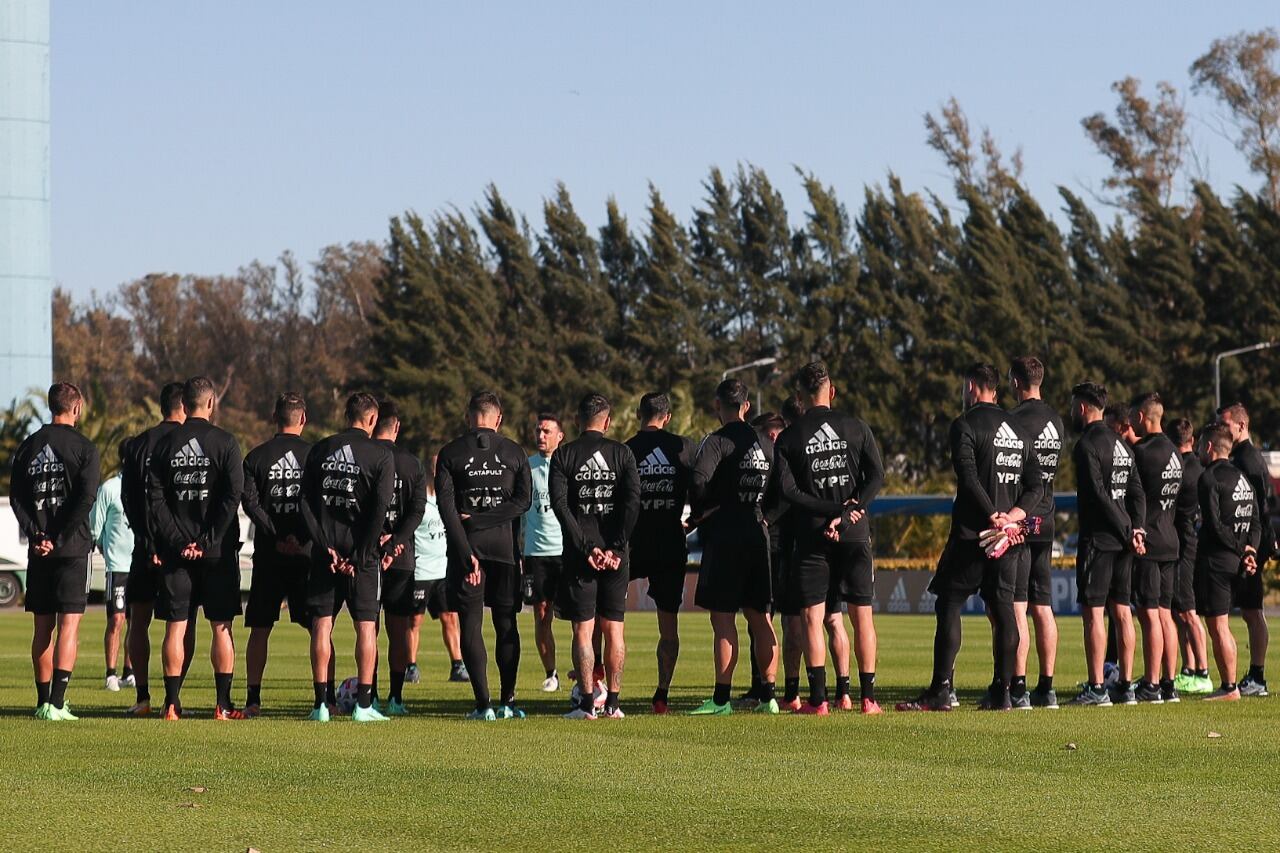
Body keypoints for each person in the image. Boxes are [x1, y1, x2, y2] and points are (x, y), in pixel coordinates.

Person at [896, 364, 1041, 712]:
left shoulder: (965, 424)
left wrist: (992, 515)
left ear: (973, 387)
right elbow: (1037, 485)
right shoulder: (1019, 430)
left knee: (948, 604)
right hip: (1007, 539)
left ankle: (941, 690)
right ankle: (1004, 693)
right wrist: (1013, 518)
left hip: (972, 535)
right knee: (1004, 610)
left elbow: (968, 476)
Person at [773, 362, 885, 715]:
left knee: (812, 616)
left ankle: (818, 700)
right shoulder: (856, 427)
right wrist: (850, 508)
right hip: (853, 531)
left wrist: (829, 511)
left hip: (812, 534)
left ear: (800, 398)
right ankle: (867, 699)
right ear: (831, 391)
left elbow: (788, 492)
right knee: (861, 616)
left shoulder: (790, 437)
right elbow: (876, 475)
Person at [147, 376, 245, 720]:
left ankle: (171, 704)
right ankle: (222, 705)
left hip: (176, 555)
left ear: (184, 405)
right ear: (211, 403)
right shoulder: (226, 443)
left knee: (176, 626)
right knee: (221, 626)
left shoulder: (164, 444)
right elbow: (233, 496)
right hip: (216, 553)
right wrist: (208, 539)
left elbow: (155, 500)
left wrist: (177, 540)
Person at [435, 390, 532, 721]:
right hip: (505, 552)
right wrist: (490, 519)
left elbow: (447, 511)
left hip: (468, 553)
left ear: (468, 417)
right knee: (506, 624)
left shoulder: (450, 454)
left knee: (471, 625)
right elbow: (523, 502)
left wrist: (468, 542)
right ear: (499, 419)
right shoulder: (515, 452)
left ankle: (484, 705)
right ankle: (508, 701)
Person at [300, 392, 396, 722]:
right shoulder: (380, 456)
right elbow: (378, 511)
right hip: (362, 557)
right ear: (372, 420)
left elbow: (306, 506)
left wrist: (324, 545)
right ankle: (364, 705)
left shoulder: (320, 450)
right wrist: (359, 555)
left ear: (346, 415)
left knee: (321, 626)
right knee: (366, 628)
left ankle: (321, 705)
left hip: (325, 554)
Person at [687, 378, 781, 716]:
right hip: (757, 533)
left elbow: (698, 480)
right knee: (761, 616)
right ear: (746, 406)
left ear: (717, 406)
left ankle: (722, 699)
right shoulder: (767, 444)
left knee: (723, 618)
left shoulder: (717, 442)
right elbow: (784, 489)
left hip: (726, 534)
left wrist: (703, 511)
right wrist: (765, 516)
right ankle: (769, 696)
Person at [10, 382, 101, 720]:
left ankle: (43, 701)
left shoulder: (28, 447)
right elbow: (85, 499)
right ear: (76, 408)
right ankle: (58, 703)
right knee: (69, 627)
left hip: (39, 550)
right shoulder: (85, 449)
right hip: (72, 549)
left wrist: (37, 535)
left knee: (42, 628)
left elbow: (17, 498)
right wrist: (59, 537)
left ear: (51, 407)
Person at [552, 393, 641, 719]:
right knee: (615, 629)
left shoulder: (564, 455)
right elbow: (633, 504)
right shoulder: (623, 453)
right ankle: (614, 704)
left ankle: (588, 704)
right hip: (617, 558)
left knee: (583, 631)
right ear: (608, 421)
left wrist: (587, 548)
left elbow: (561, 508)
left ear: (578, 420)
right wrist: (616, 548)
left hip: (580, 558)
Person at [1067, 382, 1146, 707]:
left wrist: (1128, 528)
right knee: (1123, 612)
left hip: (1100, 540)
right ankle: (1126, 686)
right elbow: (1137, 492)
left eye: (1074, 405)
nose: (1072, 411)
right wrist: (1137, 529)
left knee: (1094, 613)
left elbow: (1098, 495)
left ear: (1083, 407)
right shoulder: (1122, 445)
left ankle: (1097, 687)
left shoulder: (1086, 445)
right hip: (1125, 543)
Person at [240, 392, 318, 716]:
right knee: (319, 627)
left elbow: (250, 503)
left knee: (260, 627)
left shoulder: (256, 458)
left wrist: (274, 534)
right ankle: (321, 700)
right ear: (303, 418)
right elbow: (318, 505)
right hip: (305, 555)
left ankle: (253, 700)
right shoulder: (316, 457)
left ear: (275, 417)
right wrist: (299, 538)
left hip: (269, 555)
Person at [625, 393, 697, 715]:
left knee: (607, 615)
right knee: (669, 627)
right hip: (670, 542)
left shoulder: (625, 450)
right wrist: (692, 522)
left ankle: (600, 682)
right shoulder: (684, 448)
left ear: (640, 414)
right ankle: (661, 696)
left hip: (632, 544)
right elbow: (705, 490)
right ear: (667, 417)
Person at [119, 381, 187, 716]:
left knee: (138, 621)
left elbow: (128, 499)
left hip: (143, 548)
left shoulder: (137, 445)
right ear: (185, 407)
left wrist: (146, 542)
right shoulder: (185, 444)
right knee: (180, 623)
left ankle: (142, 697)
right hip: (176, 551)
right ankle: (173, 700)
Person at [1006, 356, 1065, 710]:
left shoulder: (1014, 420)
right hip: (1048, 520)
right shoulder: (1056, 420)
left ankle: (1019, 687)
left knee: (1017, 605)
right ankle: (1048, 687)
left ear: (1015, 382)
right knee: (1043, 607)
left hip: (1022, 519)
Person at [1196, 422, 1262, 701]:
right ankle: (1231, 684)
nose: (1198, 449)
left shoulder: (1209, 478)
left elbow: (1214, 524)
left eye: (1200, 445)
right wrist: (1250, 552)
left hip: (1218, 560)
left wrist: (1239, 549)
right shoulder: (1242, 477)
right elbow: (1256, 521)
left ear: (1209, 447)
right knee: (1226, 624)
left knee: (1218, 625)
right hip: (1241, 561)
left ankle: (1229, 687)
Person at [372, 401, 428, 716]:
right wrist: (395, 543)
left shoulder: (364, 457)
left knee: (368, 628)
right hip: (402, 556)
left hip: (368, 555)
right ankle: (396, 697)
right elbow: (416, 511)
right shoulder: (412, 464)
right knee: (397, 629)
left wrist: (379, 542)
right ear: (397, 426)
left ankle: (371, 694)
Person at [1127, 393, 1183, 703]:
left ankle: (1151, 683)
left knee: (1150, 615)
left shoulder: (1143, 452)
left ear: (1143, 417)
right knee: (1164, 614)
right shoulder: (1174, 451)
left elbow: (1132, 495)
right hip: (1170, 538)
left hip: (1149, 540)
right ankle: (1169, 683)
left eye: (1135, 416)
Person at [1218, 402, 1275, 696]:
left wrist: (1255, 546)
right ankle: (1255, 676)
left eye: (1225, 424)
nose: (1220, 429)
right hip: (1248, 544)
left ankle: (1257, 677)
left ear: (1241, 426)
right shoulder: (1241, 457)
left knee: (1252, 611)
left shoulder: (1248, 460)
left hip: (1251, 546)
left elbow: (1261, 508)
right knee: (1249, 611)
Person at [407, 454, 466, 684]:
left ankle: (457, 666)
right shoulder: (420, 499)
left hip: (444, 569)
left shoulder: (450, 498)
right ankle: (411, 667)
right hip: (421, 570)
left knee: (450, 617)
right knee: (414, 620)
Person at [1166, 417, 1212, 694]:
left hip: (1185, 546)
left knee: (1187, 611)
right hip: (1190, 544)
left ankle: (1202, 672)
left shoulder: (1180, 470)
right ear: (1192, 440)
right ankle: (1189, 669)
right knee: (1179, 611)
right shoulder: (1198, 467)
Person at [522, 413, 566, 692]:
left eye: (547, 431)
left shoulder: (568, 467)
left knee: (579, 617)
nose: (541, 436)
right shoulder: (526, 468)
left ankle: (585, 674)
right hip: (536, 554)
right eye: (538, 431)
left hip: (566, 553)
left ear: (560, 436)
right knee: (541, 614)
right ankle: (551, 673)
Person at [90, 442, 135, 692]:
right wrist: (101, 546)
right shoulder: (109, 488)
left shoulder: (144, 487)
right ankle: (111, 674)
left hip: (139, 565)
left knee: (136, 621)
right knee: (116, 619)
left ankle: (130, 672)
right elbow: (95, 525)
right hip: (117, 566)